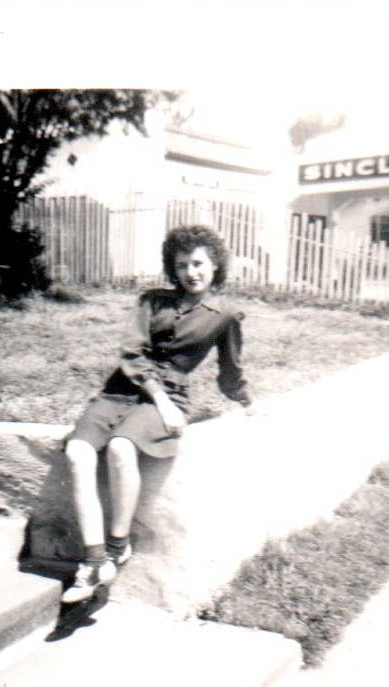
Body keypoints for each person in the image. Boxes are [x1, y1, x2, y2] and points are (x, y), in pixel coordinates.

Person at [61, 224, 252, 603]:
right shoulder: (152, 301)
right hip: (121, 390)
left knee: (119, 447)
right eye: (182, 265)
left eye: (198, 264)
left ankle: (116, 548)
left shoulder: (225, 315)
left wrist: (247, 402)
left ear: (215, 266)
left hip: (172, 396)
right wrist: (159, 399)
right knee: (78, 452)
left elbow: (230, 371)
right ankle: (94, 560)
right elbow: (133, 352)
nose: (191, 272)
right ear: (173, 268)